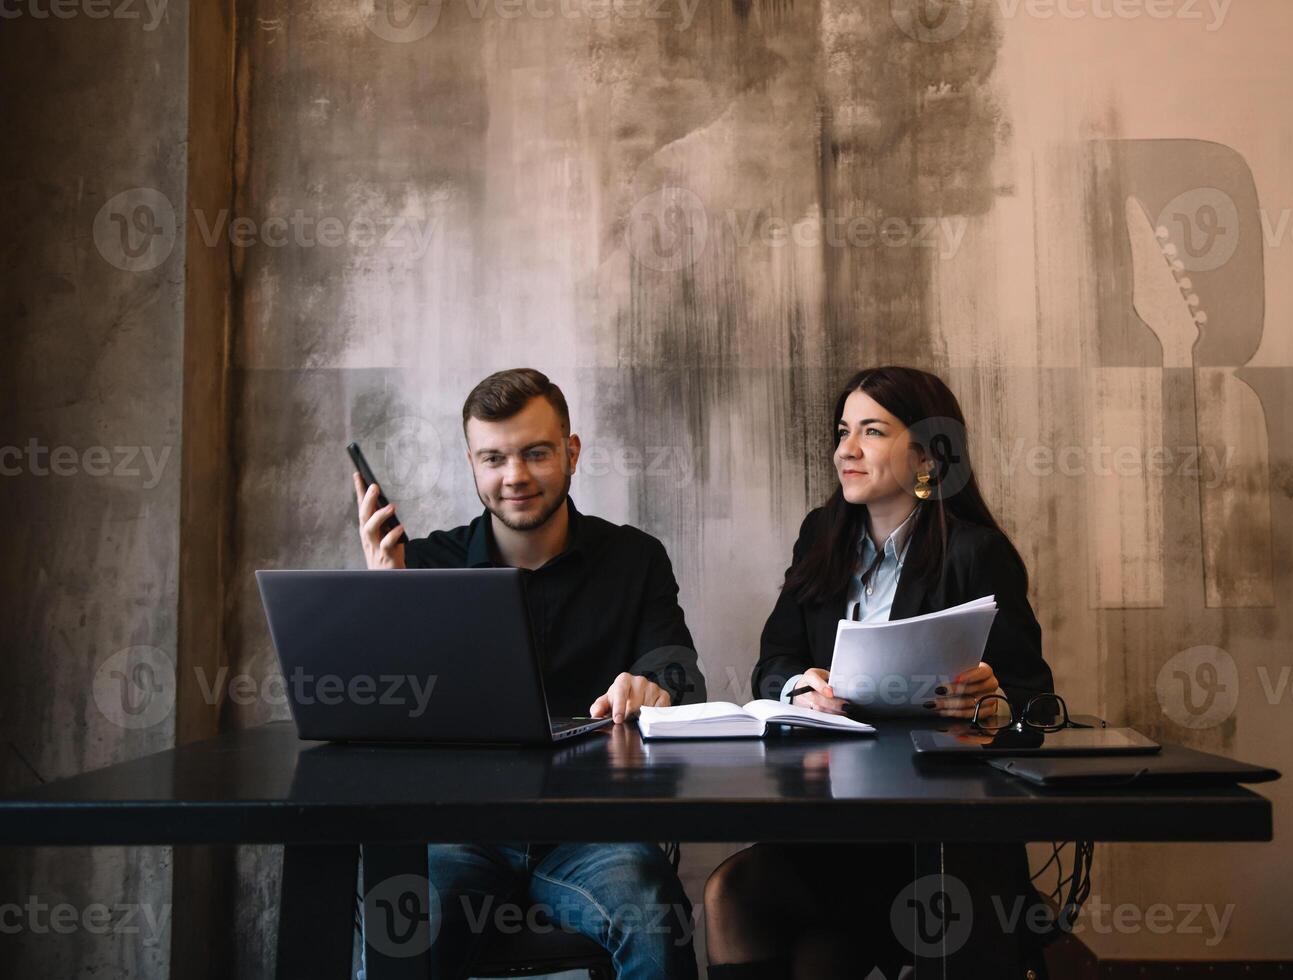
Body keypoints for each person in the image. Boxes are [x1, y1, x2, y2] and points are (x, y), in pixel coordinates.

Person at [703, 365, 1053, 979]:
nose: (847, 451)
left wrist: (993, 701)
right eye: (843, 432)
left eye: (871, 431)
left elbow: (1036, 698)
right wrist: (799, 688)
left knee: (825, 950)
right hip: (833, 814)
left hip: (939, 825)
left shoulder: (975, 553)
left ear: (927, 455)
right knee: (732, 892)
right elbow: (774, 661)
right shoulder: (821, 536)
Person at [354, 367, 703, 980]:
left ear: (570, 452)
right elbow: (377, 714)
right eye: (494, 458)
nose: (513, 476)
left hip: (594, 830)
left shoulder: (634, 558)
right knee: (402, 928)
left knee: (652, 914)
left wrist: (655, 687)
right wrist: (386, 604)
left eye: (535, 454)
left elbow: (678, 668)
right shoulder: (421, 566)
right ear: (472, 462)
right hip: (459, 830)